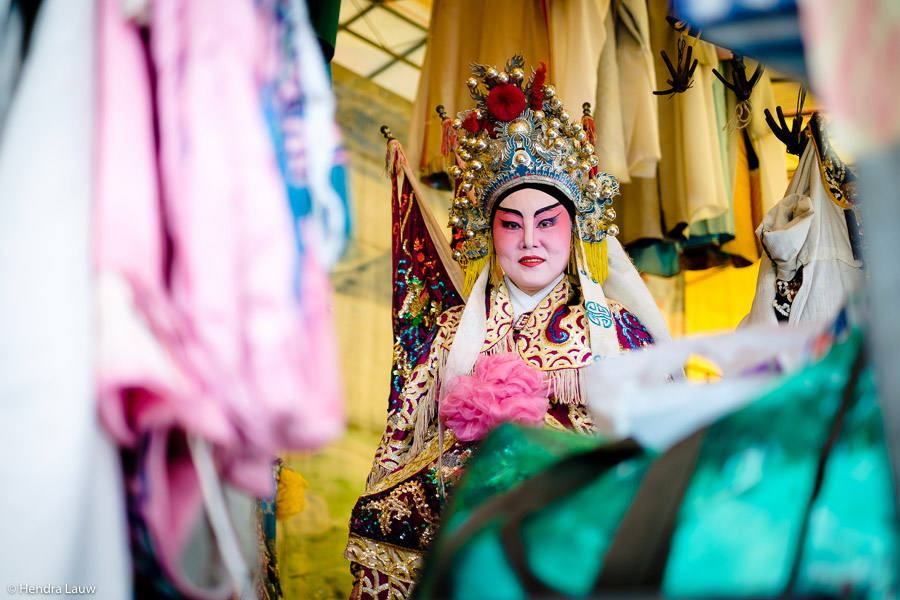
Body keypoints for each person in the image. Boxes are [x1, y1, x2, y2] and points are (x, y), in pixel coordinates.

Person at [345, 56, 671, 600]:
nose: (529, 242)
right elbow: (401, 435)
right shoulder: (450, 331)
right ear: (490, 233)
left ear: (574, 230)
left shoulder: (614, 327)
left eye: (547, 223)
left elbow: (662, 427)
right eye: (512, 224)